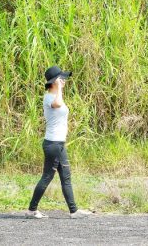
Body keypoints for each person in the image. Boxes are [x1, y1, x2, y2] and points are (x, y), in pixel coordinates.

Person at [26, 66, 93, 219]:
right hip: (53, 144)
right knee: (47, 176)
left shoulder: (56, 95)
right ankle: (31, 210)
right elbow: (57, 105)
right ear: (53, 81)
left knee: (66, 177)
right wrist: (59, 89)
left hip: (59, 144)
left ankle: (74, 211)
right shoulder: (50, 97)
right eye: (60, 78)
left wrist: (59, 88)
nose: (63, 80)